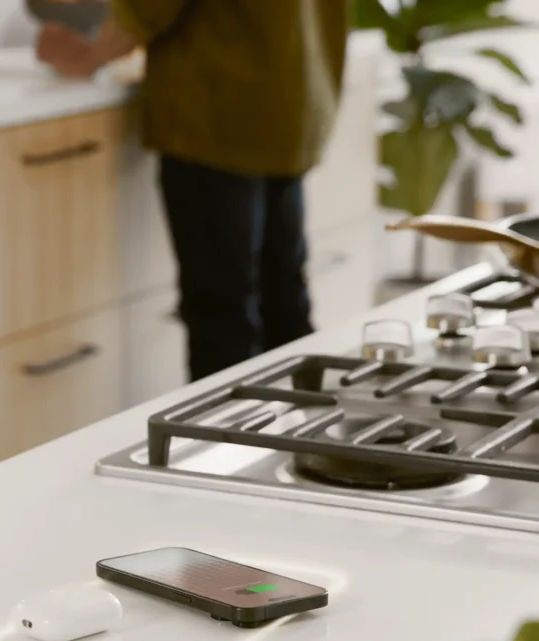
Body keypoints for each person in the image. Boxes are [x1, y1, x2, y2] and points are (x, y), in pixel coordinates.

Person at [37, 0, 349, 381]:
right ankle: (308, 436)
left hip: (219, 110)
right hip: (290, 97)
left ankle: (226, 442)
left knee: (223, 321)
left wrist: (88, 56)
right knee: (284, 302)